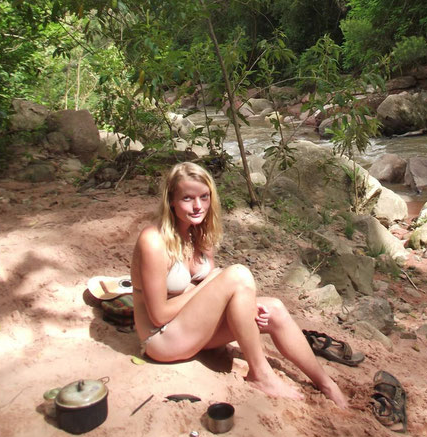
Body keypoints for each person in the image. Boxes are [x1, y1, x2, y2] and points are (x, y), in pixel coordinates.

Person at [130, 161, 348, 408]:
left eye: (204, 196)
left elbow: (208, 294)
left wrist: (243, 311)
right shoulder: (153, 240)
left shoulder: (198, 234)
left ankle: (327, 383)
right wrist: (212, 281)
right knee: (238, 274)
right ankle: (261, 374)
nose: (198, 206)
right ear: (171, 200)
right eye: (187, 198)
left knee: (274, 309)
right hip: (161, 339)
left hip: (191, 329)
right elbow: (158, 315)